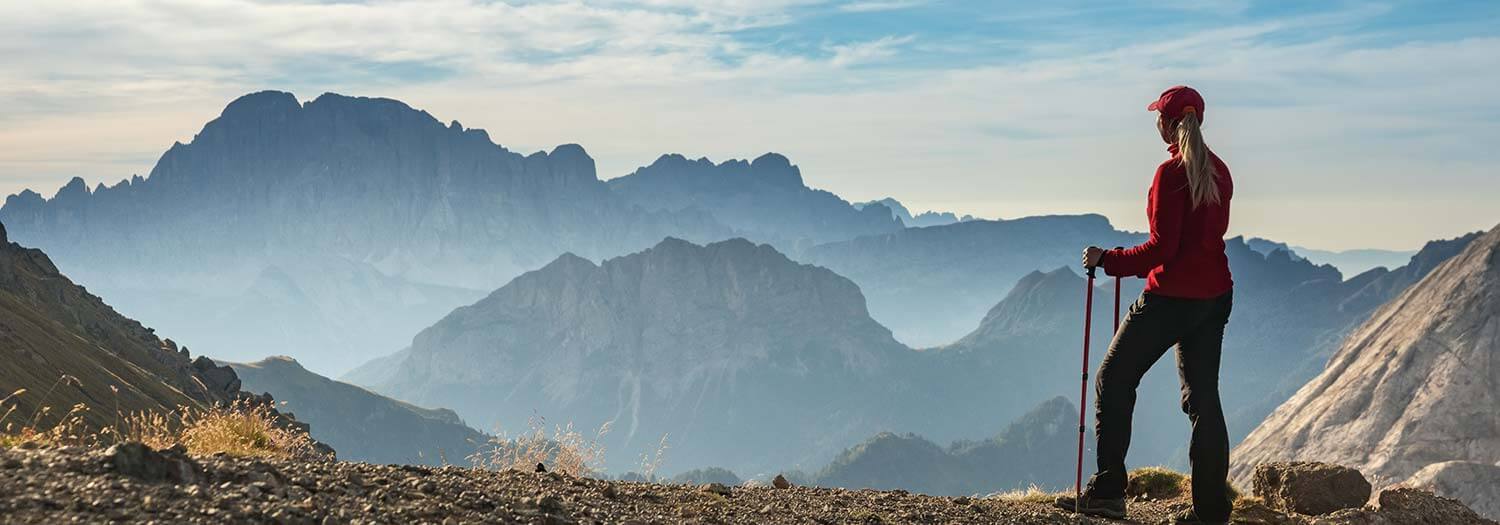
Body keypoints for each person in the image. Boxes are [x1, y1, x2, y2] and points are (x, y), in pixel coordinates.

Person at [1054, 85, 1235, 525]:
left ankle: (1109, 492)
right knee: (1204, 400)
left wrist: (1108, 260)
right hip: (1215, 297)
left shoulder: (1169, 175)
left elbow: (1162, 249)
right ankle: (1211, 512)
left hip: (1171, 298)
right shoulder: (1220, 172)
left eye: (1158, 116)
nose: (1155, 121)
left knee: (1113, 378)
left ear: (1169, 124)